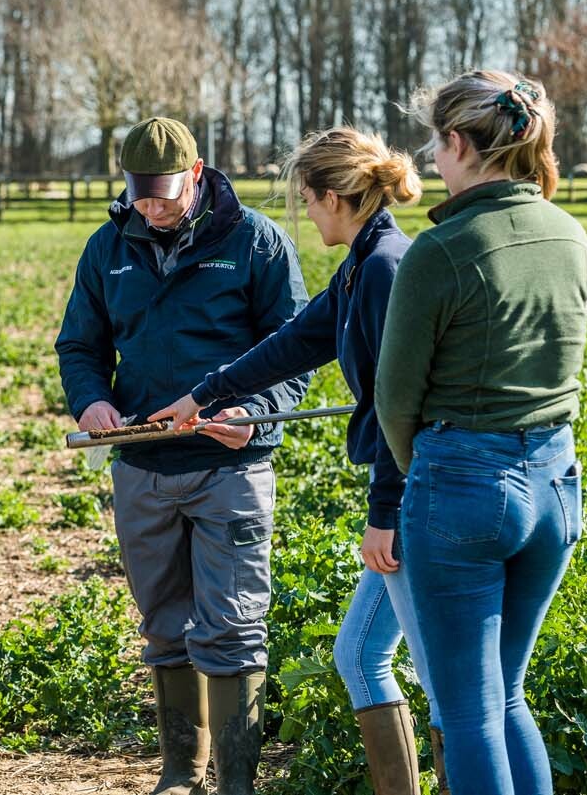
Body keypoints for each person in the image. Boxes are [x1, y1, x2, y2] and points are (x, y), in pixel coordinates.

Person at [150, 127, 444, 795]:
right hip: (402, 490)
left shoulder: (385, 269)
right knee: (361, 655)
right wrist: (203, 395)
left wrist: (386, 513)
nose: (306, 215)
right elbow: (293, 342)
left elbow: (405, 412)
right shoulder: (364, 262)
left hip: (415, 495)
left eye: (307, 201)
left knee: (436, 673)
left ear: (335, 197)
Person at [55, 116, 309, 795]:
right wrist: (91, 402)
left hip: (229, 467)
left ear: (197, 175)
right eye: (140, 195)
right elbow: (79, 345)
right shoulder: (107, 248)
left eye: (164, 194)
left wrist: (252, 415)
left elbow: (295, 351)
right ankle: (180, 770)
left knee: (232, 624)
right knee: (164, 623)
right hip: (142, 469)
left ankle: (236, 782)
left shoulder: (256, 243)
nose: (151, 207)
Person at [375, 71, 587, 795]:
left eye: (436, 144)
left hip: (463, 486)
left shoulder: (441, 251)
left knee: (468, 713)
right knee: (507, 697)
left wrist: (432, 475)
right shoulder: (571, 235)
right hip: (557, 485)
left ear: (459, 143)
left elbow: (394, 400)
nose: (433, 161)